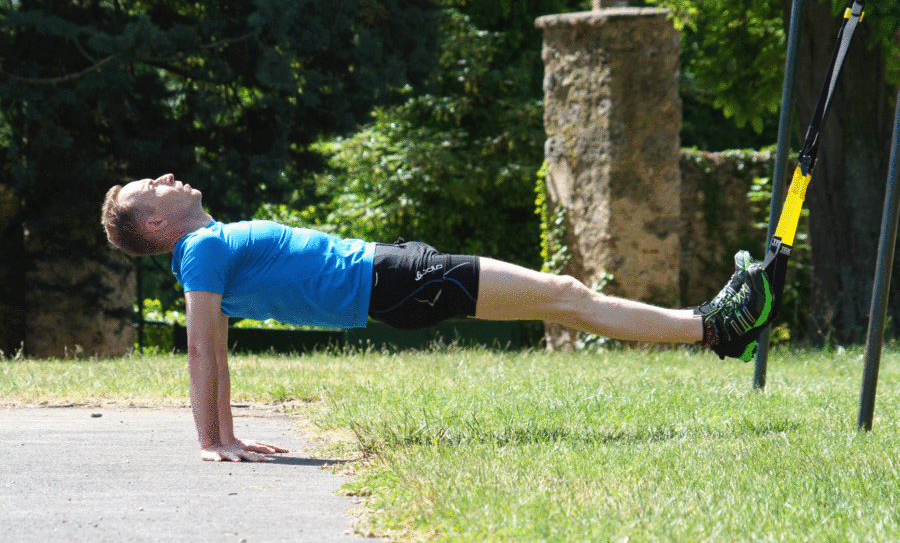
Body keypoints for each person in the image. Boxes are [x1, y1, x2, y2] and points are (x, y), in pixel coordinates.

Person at [101, 174, 774, 462]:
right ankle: (716, 325)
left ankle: (714, 325)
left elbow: (216, 352)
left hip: (393, 277)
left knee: (561, 296)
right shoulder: (202, 251)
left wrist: (227, 436)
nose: (165, 178)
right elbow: (202, 352)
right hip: (394, 283)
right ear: (156, 222)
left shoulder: (207, 247)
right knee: (566, 293)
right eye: (151, 189)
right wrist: (213, 440)